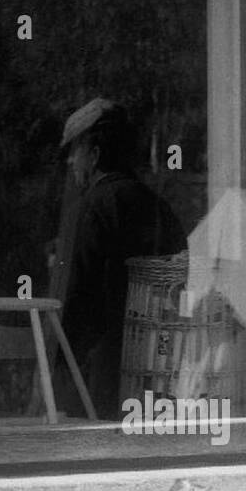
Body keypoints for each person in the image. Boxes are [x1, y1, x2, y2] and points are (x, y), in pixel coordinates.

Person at [49, 98, 186, 418]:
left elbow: (70, 302)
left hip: (95, 385)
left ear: (95, 155)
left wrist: (52, 374)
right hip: (154, 379)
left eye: (74, 152)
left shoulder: (89, 209)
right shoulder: (158, 207)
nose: (71, 163)